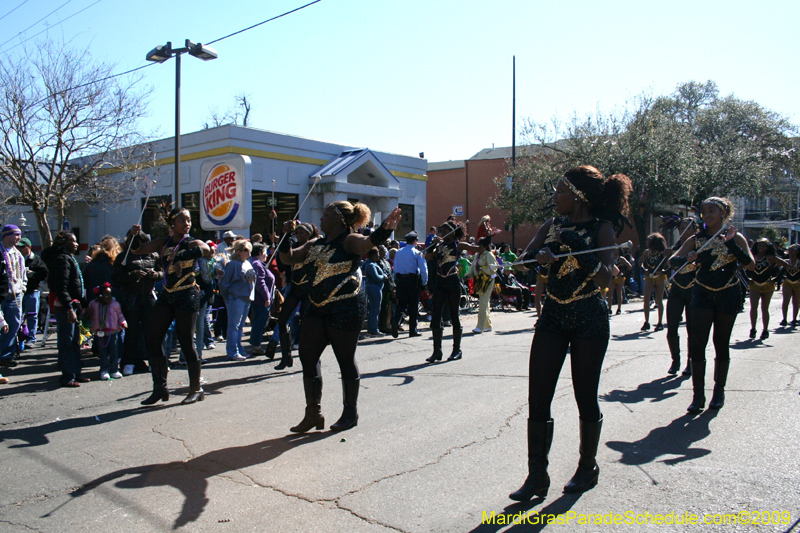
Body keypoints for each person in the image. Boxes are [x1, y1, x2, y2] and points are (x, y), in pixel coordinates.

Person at [510, 166, 631, 501]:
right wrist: (539, 257)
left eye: (560, 191)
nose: (554, 197)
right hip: (553, 316)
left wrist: (576, 246)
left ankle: (587, 466)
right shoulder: (551, 226)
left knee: (585, 396)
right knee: (538, 397)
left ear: (578, 196)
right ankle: (537, 476)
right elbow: (522, 262)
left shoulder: (601, 229)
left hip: (589, 319)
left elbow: (606, 279)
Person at [279, 201, 402, 433]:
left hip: (346, 308)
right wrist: (286, 237)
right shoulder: (316, 243)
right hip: (316, 307)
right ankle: (313, 413)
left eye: (325, 215)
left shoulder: (349, 239)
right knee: (307, 356)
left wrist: (385, 229)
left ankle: (350, 413)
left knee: (345, 360)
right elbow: (288, 259)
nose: (321, 219)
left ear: (337, 218)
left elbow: (367, 243)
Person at [670, 197, 754, 413]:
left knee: (721, 342)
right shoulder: (697, 239)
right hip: (701, 293)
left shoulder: (735, 237)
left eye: (712, 211)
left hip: (728, 293)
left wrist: (732, 244)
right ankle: (698, 395)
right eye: (704, 211)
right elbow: (673, 261)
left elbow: (750, 264)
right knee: (697, 343)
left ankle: (719, 391)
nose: (707, 215)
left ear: (723, 213)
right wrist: (689, 258)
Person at [130, 208, 210, 405]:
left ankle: (196, 389)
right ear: (172, 224)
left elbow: (207, 250)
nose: (187, 223)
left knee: (186, 341)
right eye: (182, 220)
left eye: (189, 220)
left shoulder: (191, 242)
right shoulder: (162, 242)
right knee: (153, 335)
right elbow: (136, 250)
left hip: (187, 294)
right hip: (167, 294)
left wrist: (183, 255)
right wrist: (134, 235)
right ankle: (160, 388)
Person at [425, 221, 480, 362]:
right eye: (441, 230)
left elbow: (477, 248)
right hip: (440, 282)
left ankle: (457, 350)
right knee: (436, 314)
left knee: (454, 315)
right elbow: (427, 257)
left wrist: (487, 237)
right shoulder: (440, 245)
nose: (442, 233)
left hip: (453, 281)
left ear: (453, 232)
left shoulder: (458, 245)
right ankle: (437, 351)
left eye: (444, 231)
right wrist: (433, 245)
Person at [112, 229, 162, 376]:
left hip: (148, 296)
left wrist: (155, 274)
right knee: (131, 331)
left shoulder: (153, 256)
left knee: (151, 331)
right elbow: (115, 277)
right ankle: (129, 362)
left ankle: (154, 361)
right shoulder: (124, 256)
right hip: (131, 297)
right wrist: (132, 275)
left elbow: (162, 272)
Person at [41, 231, 88, 387]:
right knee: (66, 342)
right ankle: (68, 376)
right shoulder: (62, 260)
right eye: (73, 241)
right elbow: (61, 287)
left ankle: (76, 373)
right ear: (64, 243)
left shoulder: (69, 258)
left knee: (74, 341)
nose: (76, 244)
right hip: (65, 307)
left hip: (72, 305)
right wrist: (69, 308)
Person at [274, 222, 319, 370]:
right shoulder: (293, 246)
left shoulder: (316, 245)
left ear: (309, 234)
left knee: (306, 325)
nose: (299, 235)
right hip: (294, 287)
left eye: (302, 233)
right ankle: (286, 356)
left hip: (309, 289)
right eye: (297, 233)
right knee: (282, 320)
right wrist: (285, 233)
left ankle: (311, 359)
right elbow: (283, 255)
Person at [665, 218, 696, 375]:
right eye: (681, 228)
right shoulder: (676, 247)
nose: (684, 231)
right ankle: (675, 360)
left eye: (688, 228)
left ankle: (690, 362)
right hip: (677, 289)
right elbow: (672, 262)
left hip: (693, 290)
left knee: (692, 330)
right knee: (671, 328)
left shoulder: (699, 244)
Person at [219, 239, 256, 361]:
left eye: (249, 250)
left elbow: (252, 280)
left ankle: (239, 349)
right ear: (238, 251)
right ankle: (232, 352)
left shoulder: (248, 263)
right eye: (245, 250)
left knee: (239, 327)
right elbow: (224, 283)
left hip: (246, 298)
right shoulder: (232, 264)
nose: (248, 252)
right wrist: (226, 296)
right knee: (234, 326)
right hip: (235, 298)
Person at [84, 282, 127, 380]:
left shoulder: (115, 304)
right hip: (101, 332)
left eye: (110, 294)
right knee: (103, 352)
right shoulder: (94, 304)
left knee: (114, 352)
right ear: (99, 295)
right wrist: (86, 314)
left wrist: (123, 322)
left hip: (113, 332)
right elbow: (88, 314)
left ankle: (114, 369)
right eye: (106, 294)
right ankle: (104, 369)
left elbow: (120, 315)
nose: (109, 296)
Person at [745, 238, 786, 339]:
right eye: (759, 245)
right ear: (756, 247)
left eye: (764, 246)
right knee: (753, 307)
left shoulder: (770, 258)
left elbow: (786, 265)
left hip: (768, 285)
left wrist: (777, 278)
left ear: (768, 248)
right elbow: (740, 267)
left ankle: (765, 330)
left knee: (764, 308)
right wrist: (747, 279)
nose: (761, 248)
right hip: (754, 285)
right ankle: (753, 328)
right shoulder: (752, 257)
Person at [391, 231, 427, 338]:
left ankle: (395, 321)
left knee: (401, 304)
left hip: (401, 281)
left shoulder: (399, 252)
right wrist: (424, 282)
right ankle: (412, 330)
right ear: (415, 241)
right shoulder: (417, 253)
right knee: (413, 306)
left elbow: (395, 268)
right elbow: (423, 269)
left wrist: (395, 280)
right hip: (413, 281)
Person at [0, 225, 26, 367]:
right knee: (1, 325)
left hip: (15, 296)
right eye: (16, 235)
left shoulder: (18, 254)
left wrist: (22, 288)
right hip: (1, 295)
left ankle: (6, 355)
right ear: (7, 235)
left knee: (14, 324)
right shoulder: (1, 252)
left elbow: (22, 275)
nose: (19, 238)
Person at [17, 238, 47, 348]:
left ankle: (31, 338)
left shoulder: (36, 260)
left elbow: (44, 273)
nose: (19, 249)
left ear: (28, 247)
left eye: (21, 247)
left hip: (32, 290)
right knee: (18, 316)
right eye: (18, 247)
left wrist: (33, 274)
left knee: (32, 315)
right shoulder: (16, 258)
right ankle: (18, 338)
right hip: (19, 291)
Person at [248, 242, 275, 357]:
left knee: (258, 322)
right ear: (259, 253)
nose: (266, 255)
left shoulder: (256, 263)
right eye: (265, 253)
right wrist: (267, 297)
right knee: (259, 323)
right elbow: (260, 283)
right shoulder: (257, 264)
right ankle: (256, 346)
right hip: (261, 300)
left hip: (260, 299)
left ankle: (256, 345)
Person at [639, 233, 670, 332]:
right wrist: (645, 271)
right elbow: (640, 263)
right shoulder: (646, 252)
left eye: (649, 240)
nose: (647, 242)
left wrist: (664, 271)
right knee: (646, 299)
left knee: (659, 299)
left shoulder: (663, 253)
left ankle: (660, 322)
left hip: (660, 277)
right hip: (649, 277)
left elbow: (669, 264)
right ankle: (646, 321)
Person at [472, 237, 499, 333]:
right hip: (479, 280)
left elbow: (494, 269)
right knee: (484, 303)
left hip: (487, 281)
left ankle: (480, 326)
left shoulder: (489, 254)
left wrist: (483, 268)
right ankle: (488, 324)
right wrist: (466, 276)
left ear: (483, 246)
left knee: (483, 303)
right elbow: (473, 267)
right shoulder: (477, 255)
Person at [362, 248, 386, 336]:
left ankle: (371, 328)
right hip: (374, 288)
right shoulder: (371, 265)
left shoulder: (370, 264)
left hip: (372, 287)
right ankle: (374, 329)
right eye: (377, 254)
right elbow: (376, 277)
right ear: (373, 255)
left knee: (372, 309)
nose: (378, 256)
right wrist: (384, 276)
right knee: (375, 309)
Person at [606, 248, 631, 316]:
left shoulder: (621, 259)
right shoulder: (610, 258)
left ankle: (619, 308)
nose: (615, 251)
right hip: (612, 278)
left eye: (617, 250)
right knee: (610, 293)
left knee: (619, 292)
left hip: (620, 277)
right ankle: (609, 308)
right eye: (614, 250)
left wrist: (623, 274)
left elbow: (629, 266)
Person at [780, 244, 800, 326]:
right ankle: (784, 318)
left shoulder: (799, 262)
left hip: (798, 283)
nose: (790, 252)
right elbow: (780, 272)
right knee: (786, 301)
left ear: (797, 251)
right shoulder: (786, 261)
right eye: (790, 250)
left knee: (796, 302)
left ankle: (794, 319)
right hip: (787, 282)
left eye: (792, 250)